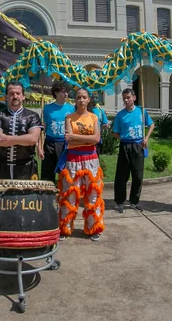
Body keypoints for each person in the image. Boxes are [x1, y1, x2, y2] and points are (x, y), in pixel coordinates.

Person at [58, 88, 105, 241]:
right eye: (78, 97)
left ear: (89, 99)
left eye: (84, 97)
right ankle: (65, 227)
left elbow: (96, 139)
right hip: (73, 160)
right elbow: (68, 139)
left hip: (91, 159)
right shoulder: (69, 117)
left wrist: (76, 137)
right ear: (75, 100)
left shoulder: (94, 118)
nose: (81, 100)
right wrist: (86, 138)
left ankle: (93, 228)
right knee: (70, 194)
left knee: (93, 195)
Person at [0, 81, 44, 180]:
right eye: (11, 93)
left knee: (26, 195)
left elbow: (33, 139)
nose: (15, 96)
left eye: (18, 93)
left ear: (23, 96)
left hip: (26, 168)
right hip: (1, 168)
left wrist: (7, 138)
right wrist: (23, 139)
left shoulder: (32, 116)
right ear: (6, 96)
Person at [112, 87, 154, 213]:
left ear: (134, 98)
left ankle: (134, 201)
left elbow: (151, 125)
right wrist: (124, 139)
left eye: (128, 97)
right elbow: (115, 133)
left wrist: (146, 138)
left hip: (138, 146)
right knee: (122, 175)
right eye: (124, 98)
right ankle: (119, 201)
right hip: (125, 146)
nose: (126, 100)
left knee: (138, 175)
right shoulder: (120, 115)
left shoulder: (141, 112)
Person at [41, 81, 74, 183]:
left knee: (65, 172)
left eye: (67, 92)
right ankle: (46, 195)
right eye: (63, 92)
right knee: (47, 172)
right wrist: (40, 147)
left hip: (65, 143)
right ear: (56, 93)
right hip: (50, 143)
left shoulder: (72, 108)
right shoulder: (47, 108)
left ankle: (64, 194)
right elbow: (43, 129)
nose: (66, 94)